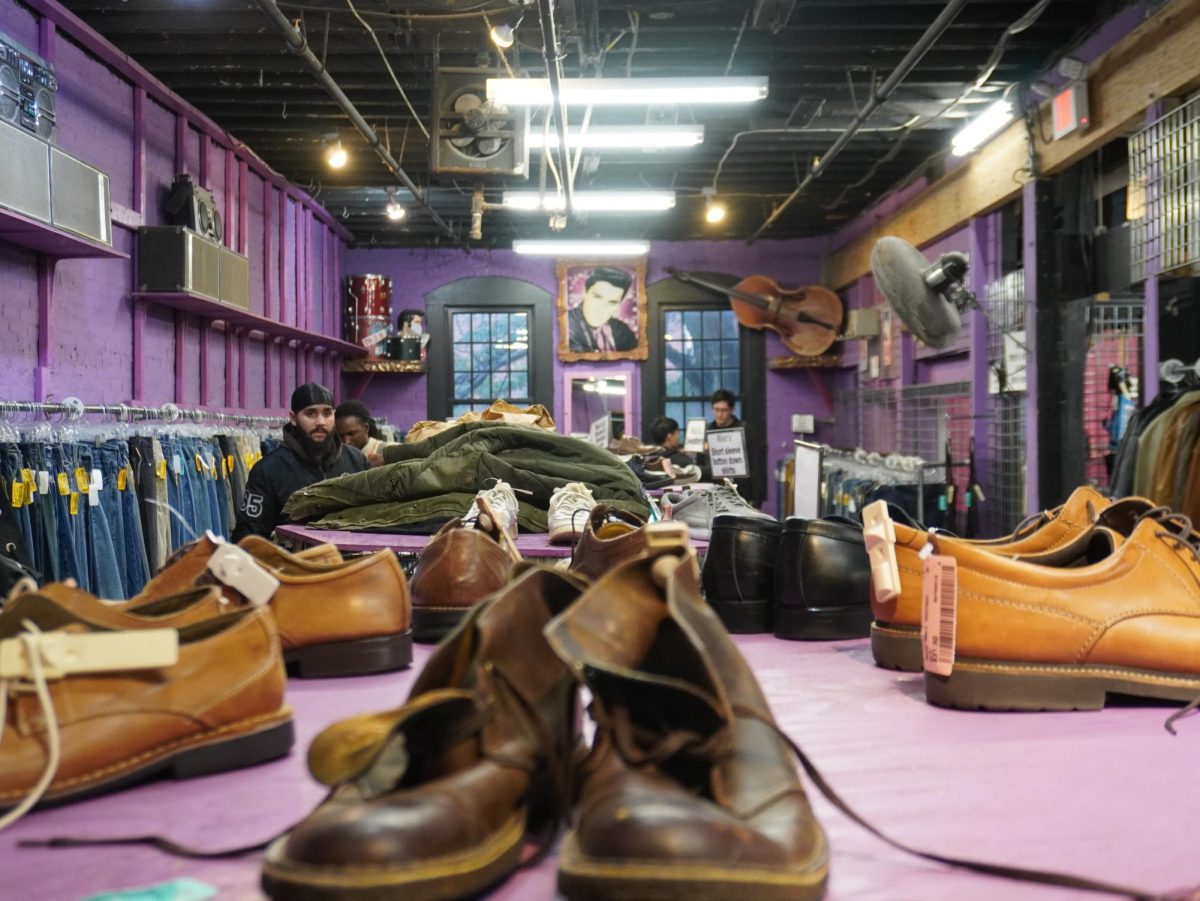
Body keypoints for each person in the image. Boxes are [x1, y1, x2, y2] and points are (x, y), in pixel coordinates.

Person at [233, 383, 369, 541]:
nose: (320, 422)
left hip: (351, 563)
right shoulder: (269, 471)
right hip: (292, 562)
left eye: (327, 413)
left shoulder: (356, 461)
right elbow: (248, 539)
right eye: (310, 414)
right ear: (293, 418)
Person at [699, 388, 762, 506]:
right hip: (713, 491)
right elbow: (700, 465)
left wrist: (757, 500)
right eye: (716, 409)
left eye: (724, 410)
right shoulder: (707, 431)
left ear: (732, 410)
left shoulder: (745, 430)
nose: (719, 414)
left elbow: (756, 464)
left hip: (741, 491)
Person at [566, 267, 639, 353]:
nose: (602, 308)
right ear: (585, 293)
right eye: (597, 297)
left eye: (612, 302)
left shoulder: (622, 332)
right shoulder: (565, 326)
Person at [336, 399, 390, 467]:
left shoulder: (387, 452)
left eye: (352, 434)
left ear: (366, 428)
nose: (346, 441)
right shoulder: (337, 458)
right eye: (340, 436)